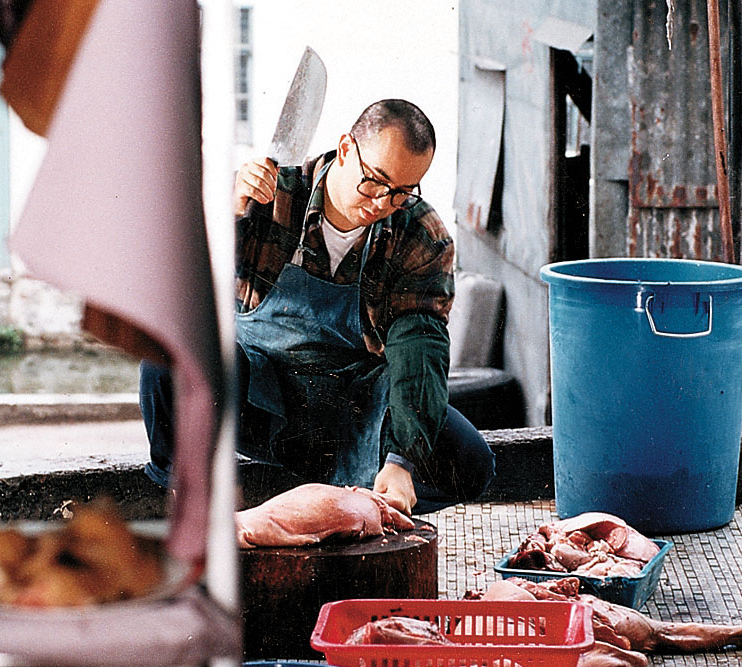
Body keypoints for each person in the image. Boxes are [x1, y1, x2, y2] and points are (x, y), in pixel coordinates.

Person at [140, 99, 495, 515]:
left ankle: (355, 503)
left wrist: (403, 460)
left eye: (401, 192)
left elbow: (420, 350)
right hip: (257, 393)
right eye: (374, 181)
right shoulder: (268, 195)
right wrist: (223, 213)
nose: (382, 202)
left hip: (351, 404)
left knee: (469, 463)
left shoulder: (419, 233)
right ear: (346, 148)